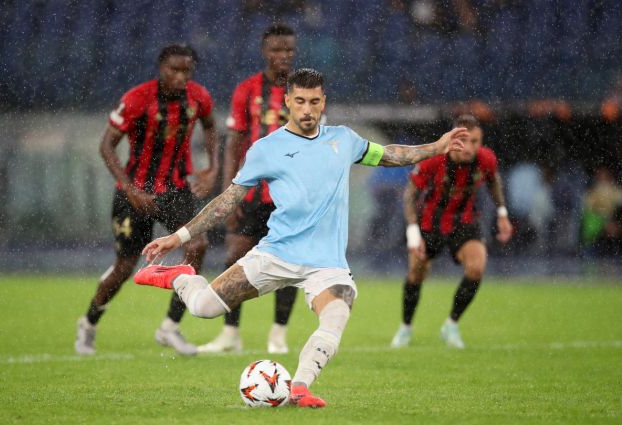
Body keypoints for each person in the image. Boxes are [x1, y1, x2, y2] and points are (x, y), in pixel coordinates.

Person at [133, 68, 466, 407]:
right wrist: (179, 236)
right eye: (301, 102)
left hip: (327, 264)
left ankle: (299, 388)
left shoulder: (343, 140)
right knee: (203, 309)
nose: (308, 110)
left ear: (324, 103)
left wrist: (436, 147)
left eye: (315, 102)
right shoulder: (267, 149)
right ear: (288, 102)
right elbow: (227, 200)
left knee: (337, 313)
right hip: (277, 254)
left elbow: (391, 155)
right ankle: (180, 277)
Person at [74, 44, 220, 356]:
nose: (180, 77)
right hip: (135, 193)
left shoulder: (198, 97)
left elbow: (210, 126)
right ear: (161, 69)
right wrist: (129, 189)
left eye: (186, 71)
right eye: (174, 70)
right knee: (125, 268)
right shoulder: (137, 99)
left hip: (176, 190)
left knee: (197, 246)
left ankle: (170, 327)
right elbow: (106, 146)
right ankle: (89, 321)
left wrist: (213, 167)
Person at [198, 24, 298, 354]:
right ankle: (230, 334)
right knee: (235, 259)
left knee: (289, 267)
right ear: (265, 52)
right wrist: (230, 192)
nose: (283, 56)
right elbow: (235, 143)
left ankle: (278, 336)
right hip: (252, 192)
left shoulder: (304, 91)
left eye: (288, 50)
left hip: (289, 196)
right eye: (277, 50)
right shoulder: (248, 89)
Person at [391, 114, 513, 350]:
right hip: (430, 223)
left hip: (464, 221)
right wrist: (413, 232)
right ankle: (406, 327)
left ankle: (451, 324)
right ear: (453, 137)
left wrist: (502, 213)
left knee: (477, 267)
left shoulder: (486, 159)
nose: (469, 147)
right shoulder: (434, 159)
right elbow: (410, 194)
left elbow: (493, 181)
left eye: (475, 141)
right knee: (416, 274)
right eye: (464, 140)